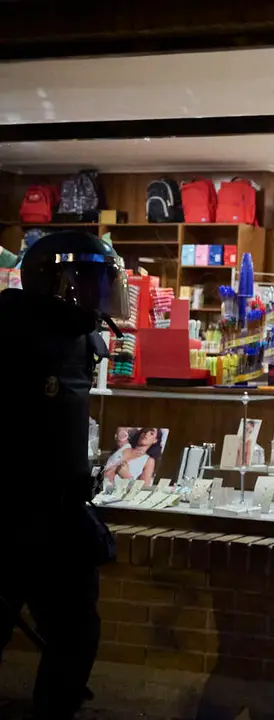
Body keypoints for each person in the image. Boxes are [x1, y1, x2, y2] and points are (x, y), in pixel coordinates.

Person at [0, 230, 125, 719]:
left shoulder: (83, 339)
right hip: (9, 513)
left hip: (62, 514)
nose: (98, 296)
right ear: (56, 281)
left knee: (76, 632)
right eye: (89, 282)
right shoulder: (8, 333)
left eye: (102, 284)